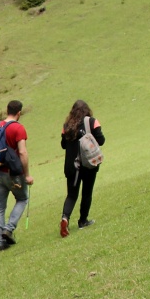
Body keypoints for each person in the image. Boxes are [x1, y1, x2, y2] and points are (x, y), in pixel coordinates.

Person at [59, 100, 105, 236]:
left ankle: (65, 218)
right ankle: (82, 221)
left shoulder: (66, 125)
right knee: (87, 192)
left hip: (71, 166)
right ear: (87, 110)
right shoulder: (92, 122)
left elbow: (63, 145)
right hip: (88, 164)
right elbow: (101, 140)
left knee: (71, 195)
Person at [0, 99, 30, 251]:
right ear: (19, 113)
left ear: (7, 111)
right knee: (22, 198)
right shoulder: (18, 128)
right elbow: (22, 152)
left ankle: (1, 241)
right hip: (13, 173)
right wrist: (27, 175)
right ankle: (9, 228)